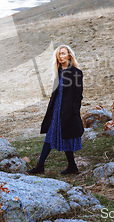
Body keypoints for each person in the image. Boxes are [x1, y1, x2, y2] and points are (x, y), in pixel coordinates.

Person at [27, 44, 84, 175]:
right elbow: (56, 93)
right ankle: (40, 165)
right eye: (59, 54)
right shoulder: (58, 72)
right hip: (56, 110)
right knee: (50, 136)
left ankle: (72, 166)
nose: (60, 56)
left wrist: (74, 111)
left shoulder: (76, 73)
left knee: (66, 137)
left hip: (68, 111)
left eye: (63, 53)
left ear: (69, 55)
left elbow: (78, 95)